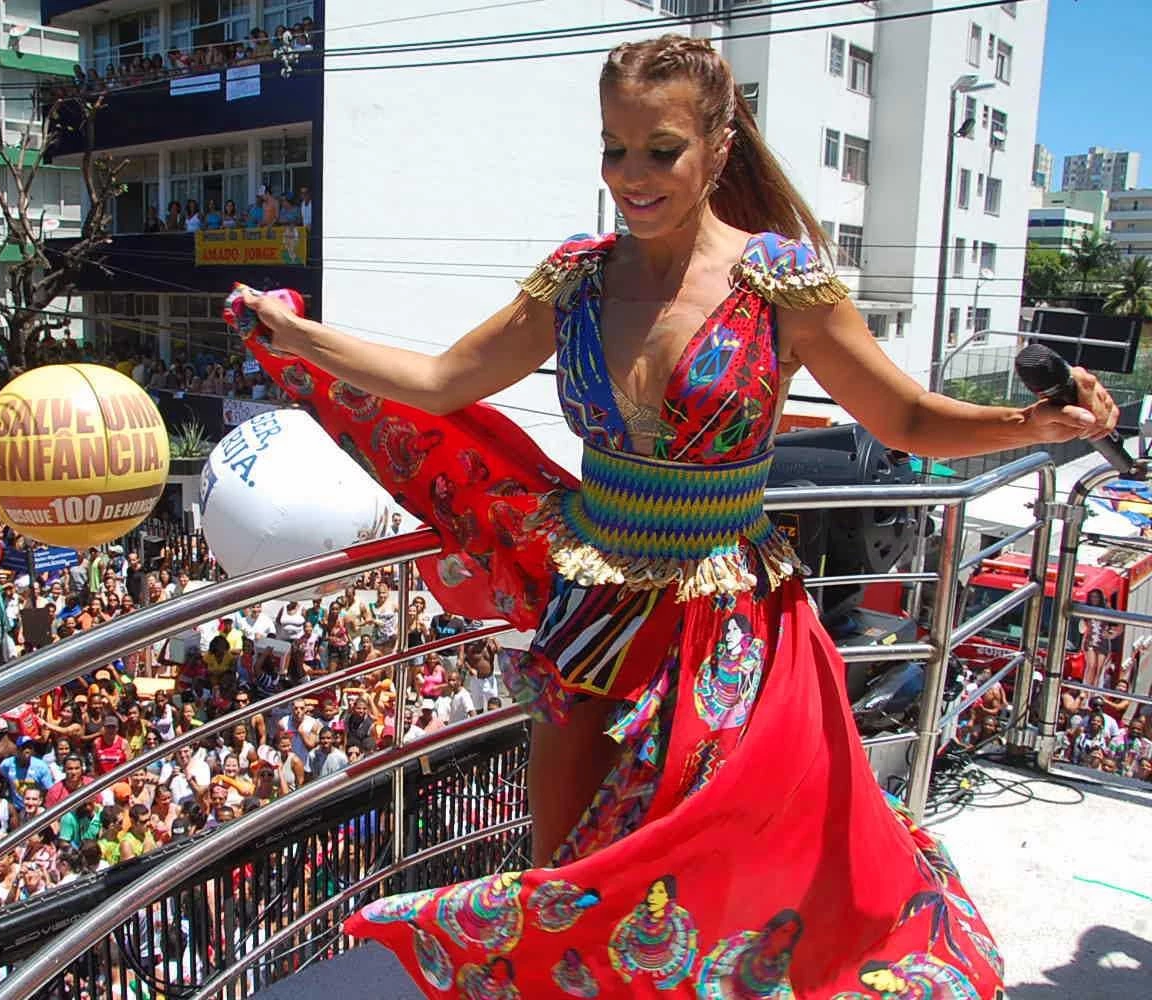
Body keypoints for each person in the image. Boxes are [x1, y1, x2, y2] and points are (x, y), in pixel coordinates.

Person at [226, 34, 1118, 998]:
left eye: (659, 150)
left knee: (703, 876)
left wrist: (1027, 422)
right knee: (566, 876)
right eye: (614, 149)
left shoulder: (782, 283)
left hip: (725, 627)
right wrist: (303, 337)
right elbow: (443, 383)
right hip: (590, 616)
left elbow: (902, 417)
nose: (630, 176)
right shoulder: (574, 279)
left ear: (719, 148)